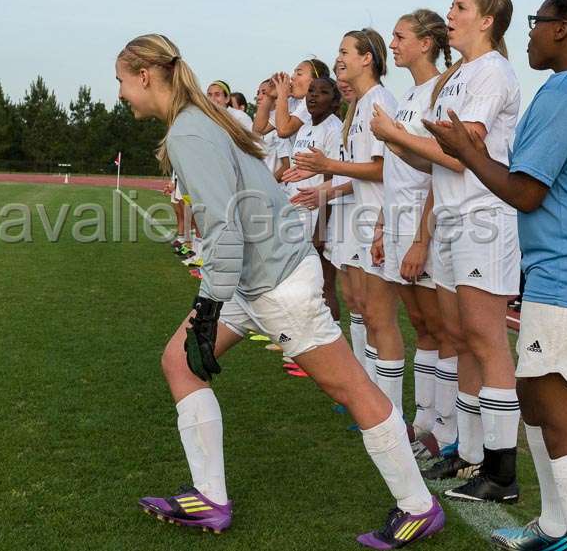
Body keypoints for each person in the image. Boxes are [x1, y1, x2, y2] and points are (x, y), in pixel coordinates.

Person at [116, 33, 444, 548]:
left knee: (353, 390)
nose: (120, 93)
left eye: (120, 81)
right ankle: (209, 497)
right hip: (258, 276)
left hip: (276, 282)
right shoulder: (199, 121)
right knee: (179, 363)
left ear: (143, 75)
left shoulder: (189, 132)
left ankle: (419, 507)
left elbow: (225, 227)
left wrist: (207, 304)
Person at [424, 0, 567, 551]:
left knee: (562, 415)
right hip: (564, 268)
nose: (530, 32)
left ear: (566, 27)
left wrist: (466, 150)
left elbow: (526, 190)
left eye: (539, 21)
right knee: (535, 399)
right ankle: (552, 526)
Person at [373, 0, 523, 503]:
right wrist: (399, 141)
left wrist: (397, 133)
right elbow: (432, 160)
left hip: (484, 215)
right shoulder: (456, 77)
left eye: (460, 7)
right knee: (460, 337)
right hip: (453, 217)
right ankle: (469, 452)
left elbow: (463, 152)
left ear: (487, 21)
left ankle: (502, 471)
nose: (450, 13)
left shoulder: (493, 72)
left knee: (485, 338)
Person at [288, 29, 407, 415]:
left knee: (379, 317)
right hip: (355, 217)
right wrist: (326, 190)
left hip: (375, 218)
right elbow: (357, 174)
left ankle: (384, 409)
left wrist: (327, 169)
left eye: (344, 52)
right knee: (360, 307)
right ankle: (368, 395)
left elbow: (380, 169)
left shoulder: (381, 101)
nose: (338, 59)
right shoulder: (360, 107)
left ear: (366, 59)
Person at [368, 10, 455, 459]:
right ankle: (423, 419)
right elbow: (397, 171)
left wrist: (422, 238)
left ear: (426, 43)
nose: (393, 43)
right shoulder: (409, 95)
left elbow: (439, 171)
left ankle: (446, 427)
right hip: (400, 222)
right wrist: (384, 226)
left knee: (442, 328)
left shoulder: (440, 91)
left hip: (429, 224)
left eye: (400, 37)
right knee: (421, 324)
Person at [282, 76, 343, 317]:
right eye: (311, 91)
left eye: (323, 92)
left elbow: (332, 179)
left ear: (335, 101)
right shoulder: (306, 127)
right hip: (297, 212)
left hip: (319, 214)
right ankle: (302, 338)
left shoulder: (334, 129)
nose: (314, 96)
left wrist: (322, 227)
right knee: (299, 279)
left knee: (323, 284)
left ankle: (331, 340)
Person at [255, 79, 291, 184]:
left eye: (264, 93)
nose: (259, 97)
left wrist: (267, 185)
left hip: (278, 190)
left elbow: (287, 165)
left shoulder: (281, 122)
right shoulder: (259, 123)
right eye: (258, 93)